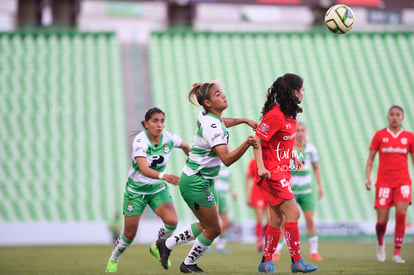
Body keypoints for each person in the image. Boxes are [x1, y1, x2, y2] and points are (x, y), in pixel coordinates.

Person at [154, 81, 258, 273]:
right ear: (208, 103)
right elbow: (226, 159)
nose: (224, 95)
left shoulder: (207, 116)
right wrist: (247, 143)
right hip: (196, 182)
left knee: (206, 225)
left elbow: (221, 122)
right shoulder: (212, 125)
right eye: (218, 94)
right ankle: (188, 263)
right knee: (214, 229)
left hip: (203, 180)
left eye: (222, 92)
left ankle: (166, 244)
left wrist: (243, 120)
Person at [105, 107, 190, 272]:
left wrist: (192, 162)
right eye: (155, 121)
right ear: (146, 124)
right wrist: (164, 176)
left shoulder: (169, 138)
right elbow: (144, 169)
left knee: (172, 221)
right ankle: (114, 258)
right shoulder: (140, 141)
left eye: (162, 121)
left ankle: (157, 246)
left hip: (157, 189)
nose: (160, 125)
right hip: (136, 192)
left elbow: (186, 146)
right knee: (129, 234)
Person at [253, 73, 318, 273]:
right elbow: (257, 140)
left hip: (283, 172)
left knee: (277, 220)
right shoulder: (274, 115)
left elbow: (281, 143)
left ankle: (265, 262)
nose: (304, 93)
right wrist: (261, 167)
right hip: (271, 174)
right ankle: (297, 261)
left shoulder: (290, 115)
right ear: (294, 92)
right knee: (294, 213)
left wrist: (293, 157)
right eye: (302, 90)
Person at [365, 105, 414, 264]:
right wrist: (368, 178)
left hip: (403, 181)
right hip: (384, 183)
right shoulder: (379, 135)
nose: (394, 117)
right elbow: (370, 159)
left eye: (398, 114)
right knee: (382, 221)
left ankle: (396, 253)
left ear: (402, 117)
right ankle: (380, 244)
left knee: (401, 215)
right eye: (392, 114)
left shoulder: (409, 137)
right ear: (388, 117)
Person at [273, 122, 323, 261]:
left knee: (310, 221)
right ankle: (276, 251)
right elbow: (281, 167)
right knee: (284, 221)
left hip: (306, 191)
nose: (300, 133)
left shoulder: (311, 149)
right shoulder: (288, 149)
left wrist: (320, 186)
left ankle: (314, 252)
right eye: (298, 130)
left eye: (302, 130)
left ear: (306, 132)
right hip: (291, 192)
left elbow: (316, 168)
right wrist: (285, 180)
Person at [246, 158, 269, 252]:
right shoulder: (252, 161)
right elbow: (249, 179)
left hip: (269, 191)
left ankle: (263, 234)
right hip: (257, 192)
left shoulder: (270, 159)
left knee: (271, 220)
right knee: (259, 219)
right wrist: (248, 195)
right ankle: (259, 242)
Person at [214, 164, 237, 254]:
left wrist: (232, 192)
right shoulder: (217, 163)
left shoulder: (226, 166)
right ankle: (211, 242)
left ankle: (220, 246)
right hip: (218, 194)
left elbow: (226, 183)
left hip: (222, 195)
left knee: (225, 221)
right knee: (225, 221)